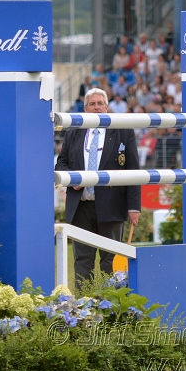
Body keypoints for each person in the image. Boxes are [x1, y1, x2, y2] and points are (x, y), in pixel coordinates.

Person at [55, 88, 141, 286]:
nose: (96, 108)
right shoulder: (73, 132)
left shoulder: (122, 130)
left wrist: (134, 206)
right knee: (82, 260)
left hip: (112, 205)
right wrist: (73, 179)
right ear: (85, 108)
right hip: (81, 206)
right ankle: (82, 307)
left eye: (100, 103)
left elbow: (133, 169)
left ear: (107, 106)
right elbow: (61, 164)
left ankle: (108, 305)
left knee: (109, 261)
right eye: (92, 104)